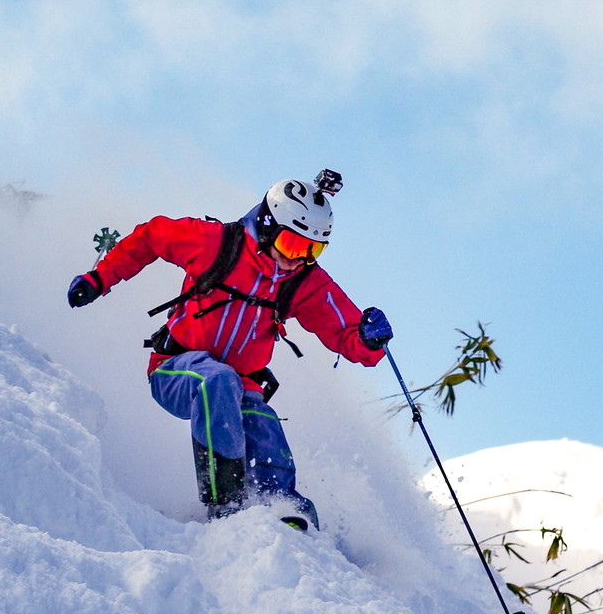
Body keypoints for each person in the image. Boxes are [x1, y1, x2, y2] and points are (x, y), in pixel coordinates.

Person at [67, 170, 392, 529]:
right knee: (218, 379)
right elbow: (151, 236)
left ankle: (287, 513)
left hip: (243, 387)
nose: (298, 260)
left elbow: (345, 332)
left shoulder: (303, 281)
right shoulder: (214, 243)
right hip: (175, 369)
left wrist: (369, 340)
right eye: (293, 246)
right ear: (269, 225)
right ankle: (228, 504)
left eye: (313, 250)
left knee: (264, 428)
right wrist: (99, 278)